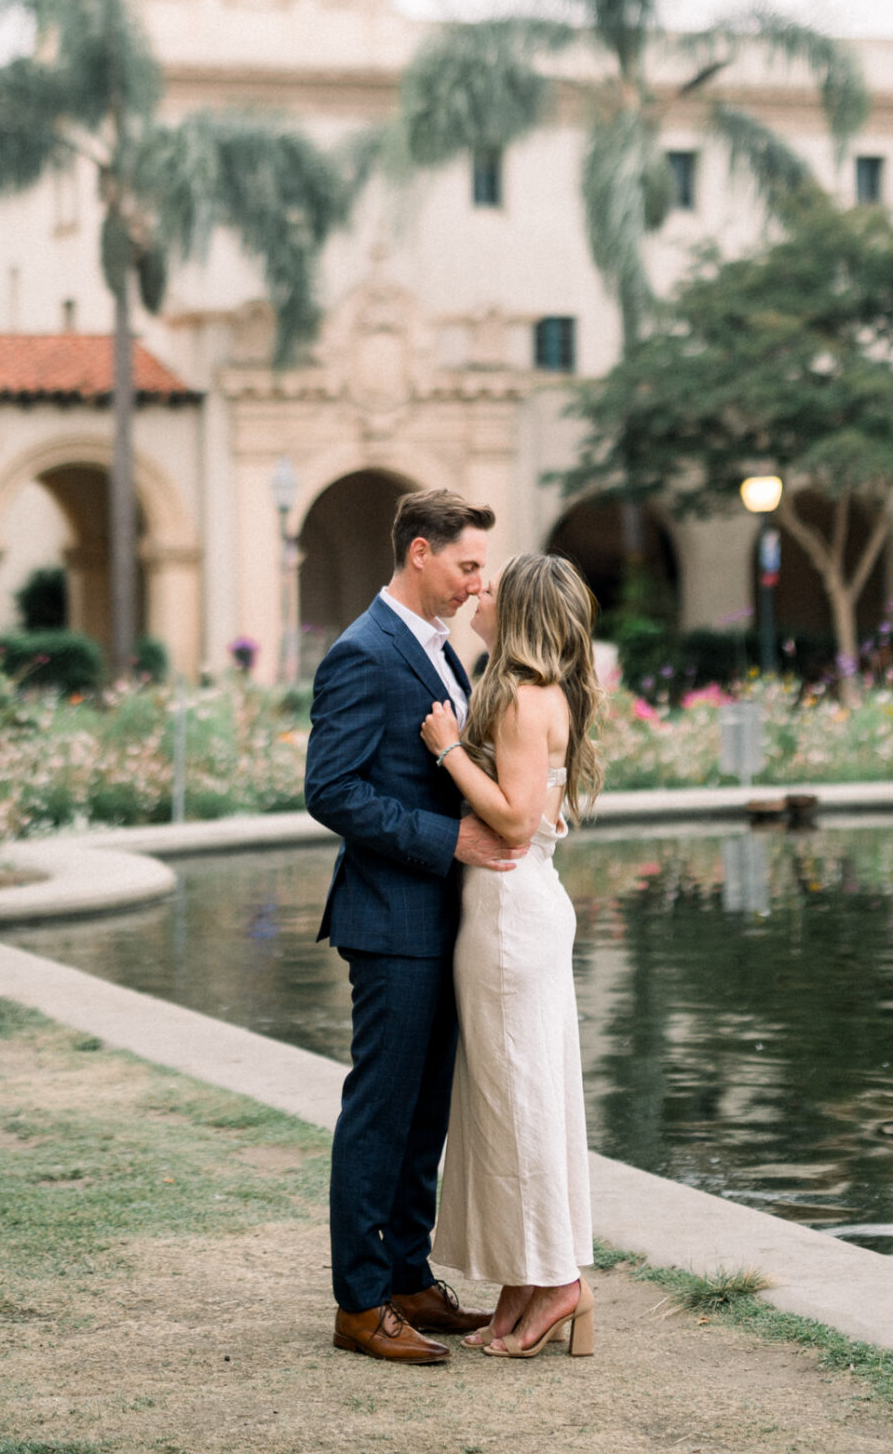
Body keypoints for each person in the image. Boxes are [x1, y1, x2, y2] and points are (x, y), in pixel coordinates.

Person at [304, 487, 516, 1364]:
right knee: (382, 1113)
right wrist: (449, 836)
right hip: (392, 919)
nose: (478, 583)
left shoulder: (438, 650)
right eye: (468, 565)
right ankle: (360, 1303)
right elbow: (332, 789)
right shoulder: (364, 651)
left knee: (425, 1111)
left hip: (438, 921)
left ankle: (407, 1274)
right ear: (420, 552)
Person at [423, 550, 602, 1358]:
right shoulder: (532, 692)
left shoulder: (526, 701)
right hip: (510, 913)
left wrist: (448, 749)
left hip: (509, 918)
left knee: (518, 1106)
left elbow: (516, 820)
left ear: (519, 611)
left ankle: (559, 1283)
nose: (476, 593)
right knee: (516, 1103)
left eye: (491, 588)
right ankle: (527, 1278)